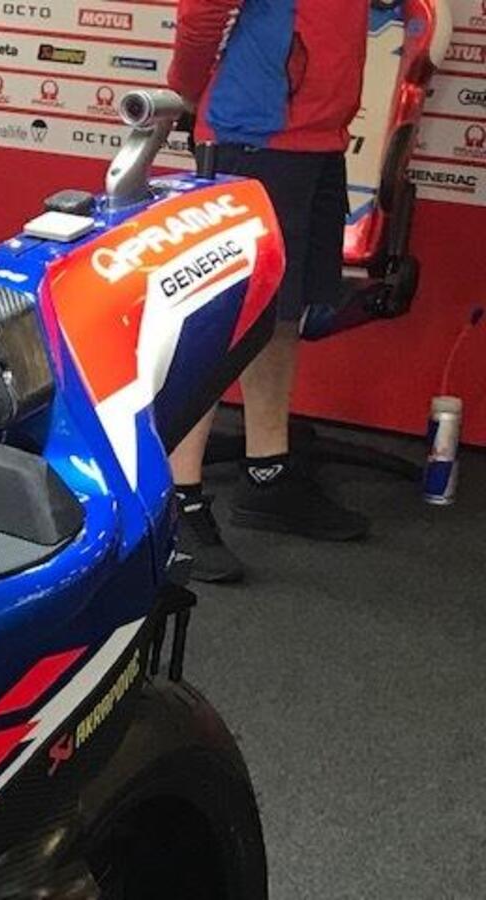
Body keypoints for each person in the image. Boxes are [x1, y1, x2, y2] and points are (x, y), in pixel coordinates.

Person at [167, 0, 372, 583]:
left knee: (281, 315)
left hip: (319, 137)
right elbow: (202, 10)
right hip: (255, 135)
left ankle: (268, 473)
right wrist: (184, 90)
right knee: (223, 321)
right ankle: (176, 502)